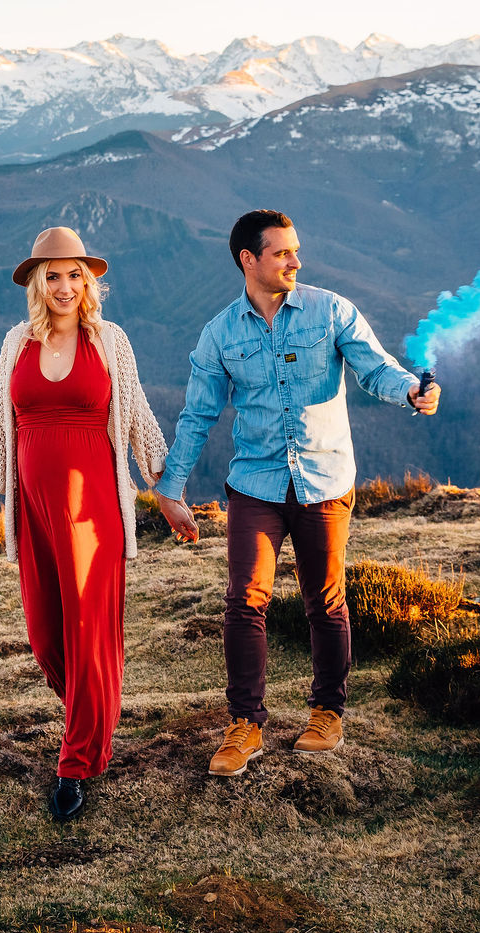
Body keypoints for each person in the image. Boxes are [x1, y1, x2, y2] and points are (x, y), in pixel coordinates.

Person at [152, 209, 439, 777]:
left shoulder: (331, 310)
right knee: (244, 602)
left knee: (325, 602)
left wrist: (411, 390)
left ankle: (327, 713)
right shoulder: (220, 334)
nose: (295, 261)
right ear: (248, 260)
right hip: (254, 484)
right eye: (282, 252)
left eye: (296, 251)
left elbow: (374, 368)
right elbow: (197, 415)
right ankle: (245, 725)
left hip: (324, 481)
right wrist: (171, 486)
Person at [0, 226, 168, 821]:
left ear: (90, 281)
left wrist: (169, 484)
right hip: (31, 511)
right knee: (45, 635)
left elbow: (137, 419)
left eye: (74, 274)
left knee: (87, 633)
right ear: (37, 282)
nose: (63, 286)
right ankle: (97, 713)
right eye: (52, 275)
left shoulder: (110, 343)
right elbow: (1, 426)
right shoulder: (15, 344)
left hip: (92, 513)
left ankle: (76, 761)